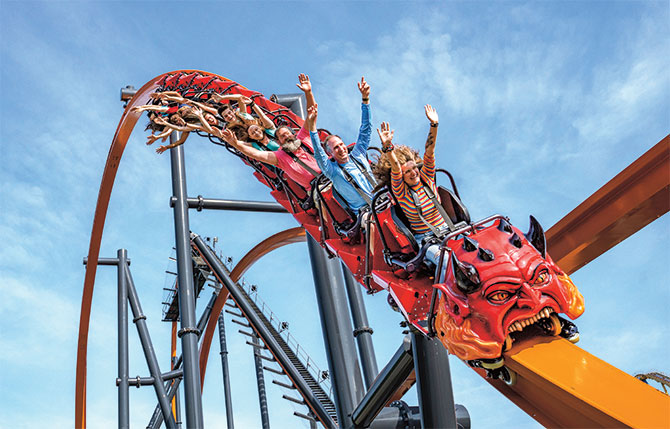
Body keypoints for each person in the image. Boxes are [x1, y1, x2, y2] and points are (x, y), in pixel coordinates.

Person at [374, 105, 449, 266]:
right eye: (407, 172)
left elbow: (429, 150)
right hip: (427, 239)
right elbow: (395, 167)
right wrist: (388, 147)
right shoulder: (401, 192)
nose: (413, 173)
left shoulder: (427, 178)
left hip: (447, 229)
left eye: (414, 168)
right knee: (445, 261)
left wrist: (434, 125)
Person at [308, 77, 375, 215]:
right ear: (331, 154)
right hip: (366, 213)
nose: (341, 149)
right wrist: (312, 126)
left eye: (341, 145)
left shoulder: (358, 155)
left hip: (382, 200)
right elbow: (318, 153)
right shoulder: (332, 170)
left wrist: (365, 99)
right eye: (336, 148)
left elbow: (365, 129)